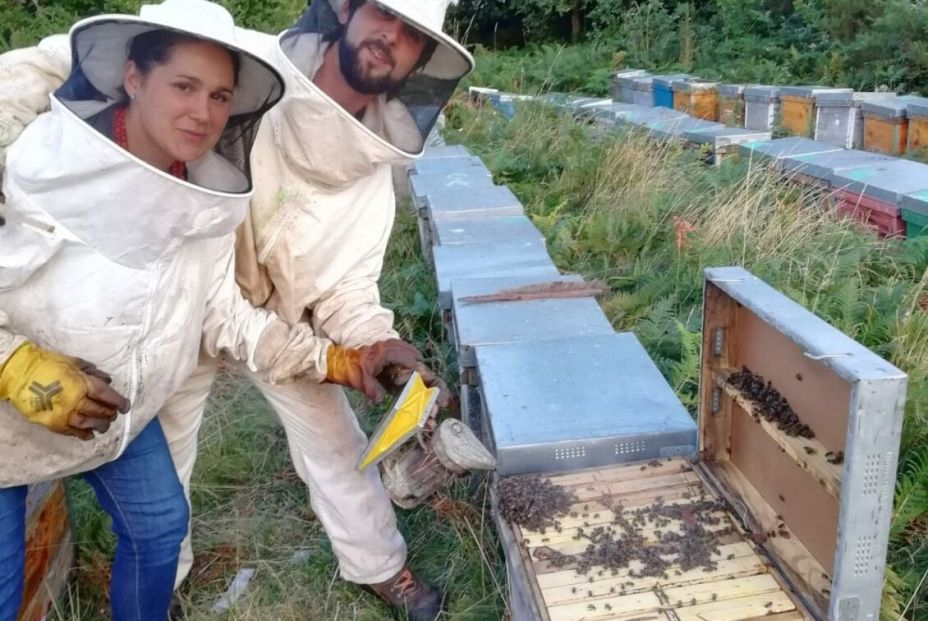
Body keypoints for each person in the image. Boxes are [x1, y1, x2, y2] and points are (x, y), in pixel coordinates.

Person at [0, 2, 473, 619]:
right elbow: (51, 60)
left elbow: (349, 290)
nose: (391, 38)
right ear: (348, 10)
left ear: (423, 61)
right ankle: (164, 582)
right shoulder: (245, 69)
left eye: (413, 35)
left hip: (273, 326)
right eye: (385, 13)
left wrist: (374, 346)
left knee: (335, 440)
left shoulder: (369, 181)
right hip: (173, 314)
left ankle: (382, 566)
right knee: (166, 466)